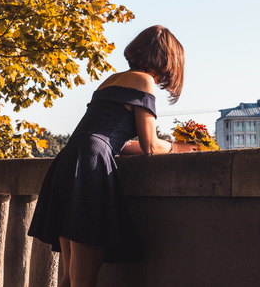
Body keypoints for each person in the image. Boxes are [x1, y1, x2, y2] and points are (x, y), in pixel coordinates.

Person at [28, 25, 196, 287]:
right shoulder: (144, 81)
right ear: (168, 58)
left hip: (70, 160)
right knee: (83, 280)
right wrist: (180, 148)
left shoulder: (110, 80)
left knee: (69, 277)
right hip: (90, 167)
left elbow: (116, 141)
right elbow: (150, 145)